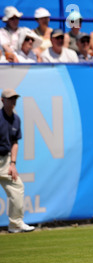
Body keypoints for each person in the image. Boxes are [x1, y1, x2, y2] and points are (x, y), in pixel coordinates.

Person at [0, 89, 35, 233]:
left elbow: (15, 142)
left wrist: (12, 163)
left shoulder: (16, 119)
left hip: (6, 160)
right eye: (10, 99)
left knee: (17, 187)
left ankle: (15, 223)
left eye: (15, 99)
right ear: (3, 100)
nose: (13, 102)